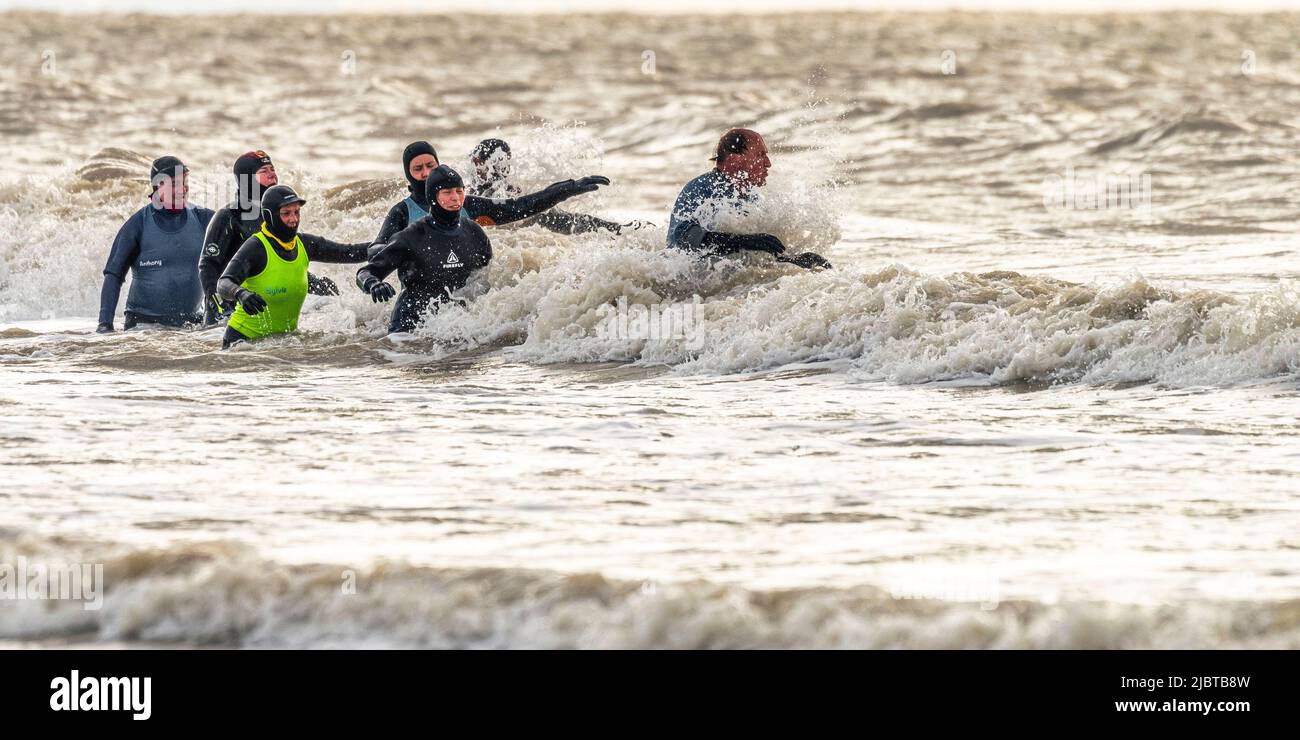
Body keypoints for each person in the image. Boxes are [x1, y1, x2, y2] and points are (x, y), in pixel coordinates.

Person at [370, 140, 611, 252]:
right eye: (417, 169)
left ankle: (616, 230)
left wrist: (567, 188)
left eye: (430, 166)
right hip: (421, 297)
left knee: (553, 218)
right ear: (408, 173)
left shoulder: (465, 201)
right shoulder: (403, 211)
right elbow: (376, 248)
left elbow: (523, 206)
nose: (425, 174)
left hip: (463, 298)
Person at [216, 185, 371, 348]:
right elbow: (224, 283)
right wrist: (240, 293)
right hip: (242, 343)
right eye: (286, 213)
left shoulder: (304, 244)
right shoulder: (256, 248)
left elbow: (349, 252)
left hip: (280, 343)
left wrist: (388, 246)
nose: (293, 219)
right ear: (270, 216)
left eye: (296, 212)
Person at [199, 150, 340, 325]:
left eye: (272, 169)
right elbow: (208, 266)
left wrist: (315, 284)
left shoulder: (276, 215)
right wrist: (219, 306)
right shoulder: (228, 216)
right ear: (247, 181)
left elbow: (281, 265)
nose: (272, 174)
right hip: (226, 319)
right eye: (264, 172)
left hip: (261, 312)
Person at [667, 128, 830, 269]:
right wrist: (746, 241)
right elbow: (684, 239)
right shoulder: (701, 188)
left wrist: (792, 260)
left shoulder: (751, 198)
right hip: (685, 285)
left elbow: (749, 252)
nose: (768, 163)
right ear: (733, 160)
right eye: (760, 155)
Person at [357, 166, 491, 334]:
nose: (455, 198)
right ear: (433, 197)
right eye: (447, 192)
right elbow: (365, 272)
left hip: (458, 326)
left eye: (459, 191)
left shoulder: (474, 232)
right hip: (409, 329)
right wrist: (374, 284)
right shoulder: (411, 237)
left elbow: (486, 276)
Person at [97, 156, 215, 333]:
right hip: (143, 326)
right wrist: (105, 325)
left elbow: (240, 252)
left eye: (185, 183)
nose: (182, 189)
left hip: (192, 326)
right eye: (175, 183)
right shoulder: (138, 224)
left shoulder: (204, 219)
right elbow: (113, 275)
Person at [467, 138, 645, 235]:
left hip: (522, 226)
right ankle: (620, 230)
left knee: (568, 220)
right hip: (526, 223)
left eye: (476, 161)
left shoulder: (471, 194)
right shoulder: (472, 194)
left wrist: (568, 188)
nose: (474, 167)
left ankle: (618, 229)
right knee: (571, 220)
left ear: (485, 163)